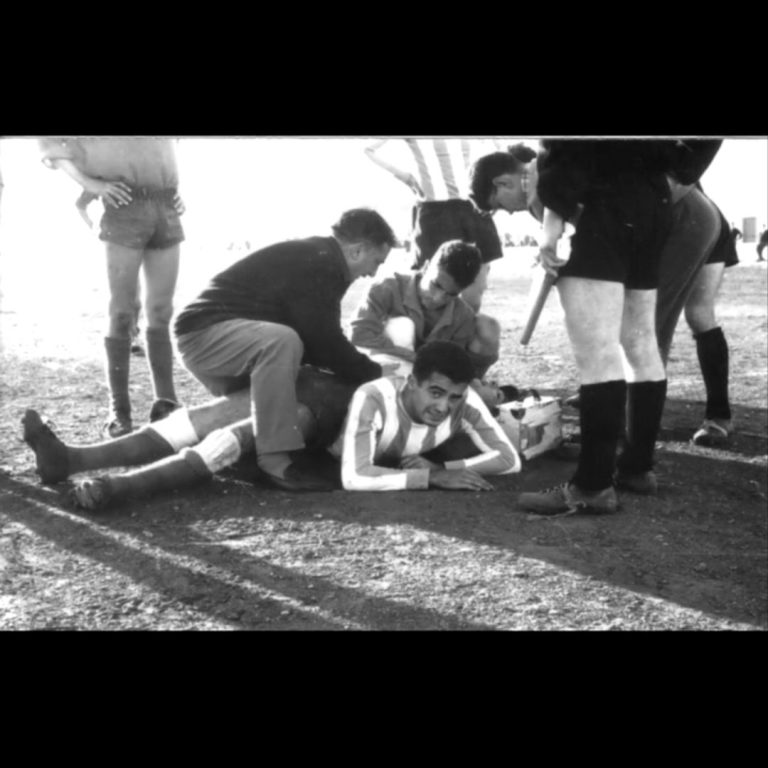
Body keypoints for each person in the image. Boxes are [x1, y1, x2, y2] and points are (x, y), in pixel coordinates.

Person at [515, 138, 722, 516]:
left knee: (599, 353)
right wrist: (678, 169)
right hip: (652, 201)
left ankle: (592, 485)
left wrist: (550, 226)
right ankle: (637, 468)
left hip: (596, 203)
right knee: (640, 343)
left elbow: (563, 151)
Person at [172, 208, 399, 491]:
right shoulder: (322, 263)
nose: (372, 273)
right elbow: (322, 339)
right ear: (357, 251)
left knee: (285, 378)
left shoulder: (320, 256)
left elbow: (316, 339)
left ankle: (197, 441)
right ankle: (275, 462)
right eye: (376, 262)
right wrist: (374, 372)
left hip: (226, 340)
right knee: (282, 341)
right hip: (203, 335)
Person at [21, 366, 357, 511]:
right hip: (327, 389)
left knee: (245, 434)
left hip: (339, 422)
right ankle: (72, 459)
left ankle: (118, 487)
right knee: (205, 419)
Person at [39, 138, 186, 438]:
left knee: (160, 311)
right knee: (121, 314)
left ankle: (167, 405)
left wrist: (173, 191)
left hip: (166, 205)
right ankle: (119, 411)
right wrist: (91, 184)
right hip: (123, 206)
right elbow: (48, 142)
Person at [364, 138, 527, 313]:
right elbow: (368, 149)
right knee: (434, 294)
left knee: (473, 297)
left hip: (472, 207)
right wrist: (406, 177)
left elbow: (501, 149)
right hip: (434, 213)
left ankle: (465, 330)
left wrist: (490, 194)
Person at [331, 341, 521, 491]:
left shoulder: (466, 399)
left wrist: (442, 468)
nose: (443, 407)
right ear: (412, 382)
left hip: (399, 456)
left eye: (454, 397)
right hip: (329, 442)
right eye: (436, 393)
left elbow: (509, 460)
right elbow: (355, 476)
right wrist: (430, 477)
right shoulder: (374, 397)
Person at [350, 239, 501, 384]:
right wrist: (415, 358)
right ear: (426, 266)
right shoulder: (386, 288)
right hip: (381, 368)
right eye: (436, 285)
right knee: (402, 328)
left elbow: (450, 366)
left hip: (427, 383)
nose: (438, 298)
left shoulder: (463, 316)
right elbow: (359, 335)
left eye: (450, 294)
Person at [75, 189, 145, 357]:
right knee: (123, 293)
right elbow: (80, 204)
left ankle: (132, 335)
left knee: (136, 298)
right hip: (114, 238)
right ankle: (126, 338)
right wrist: (91, 225)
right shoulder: (106, 178)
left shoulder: (141, 180)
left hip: (138, 237)